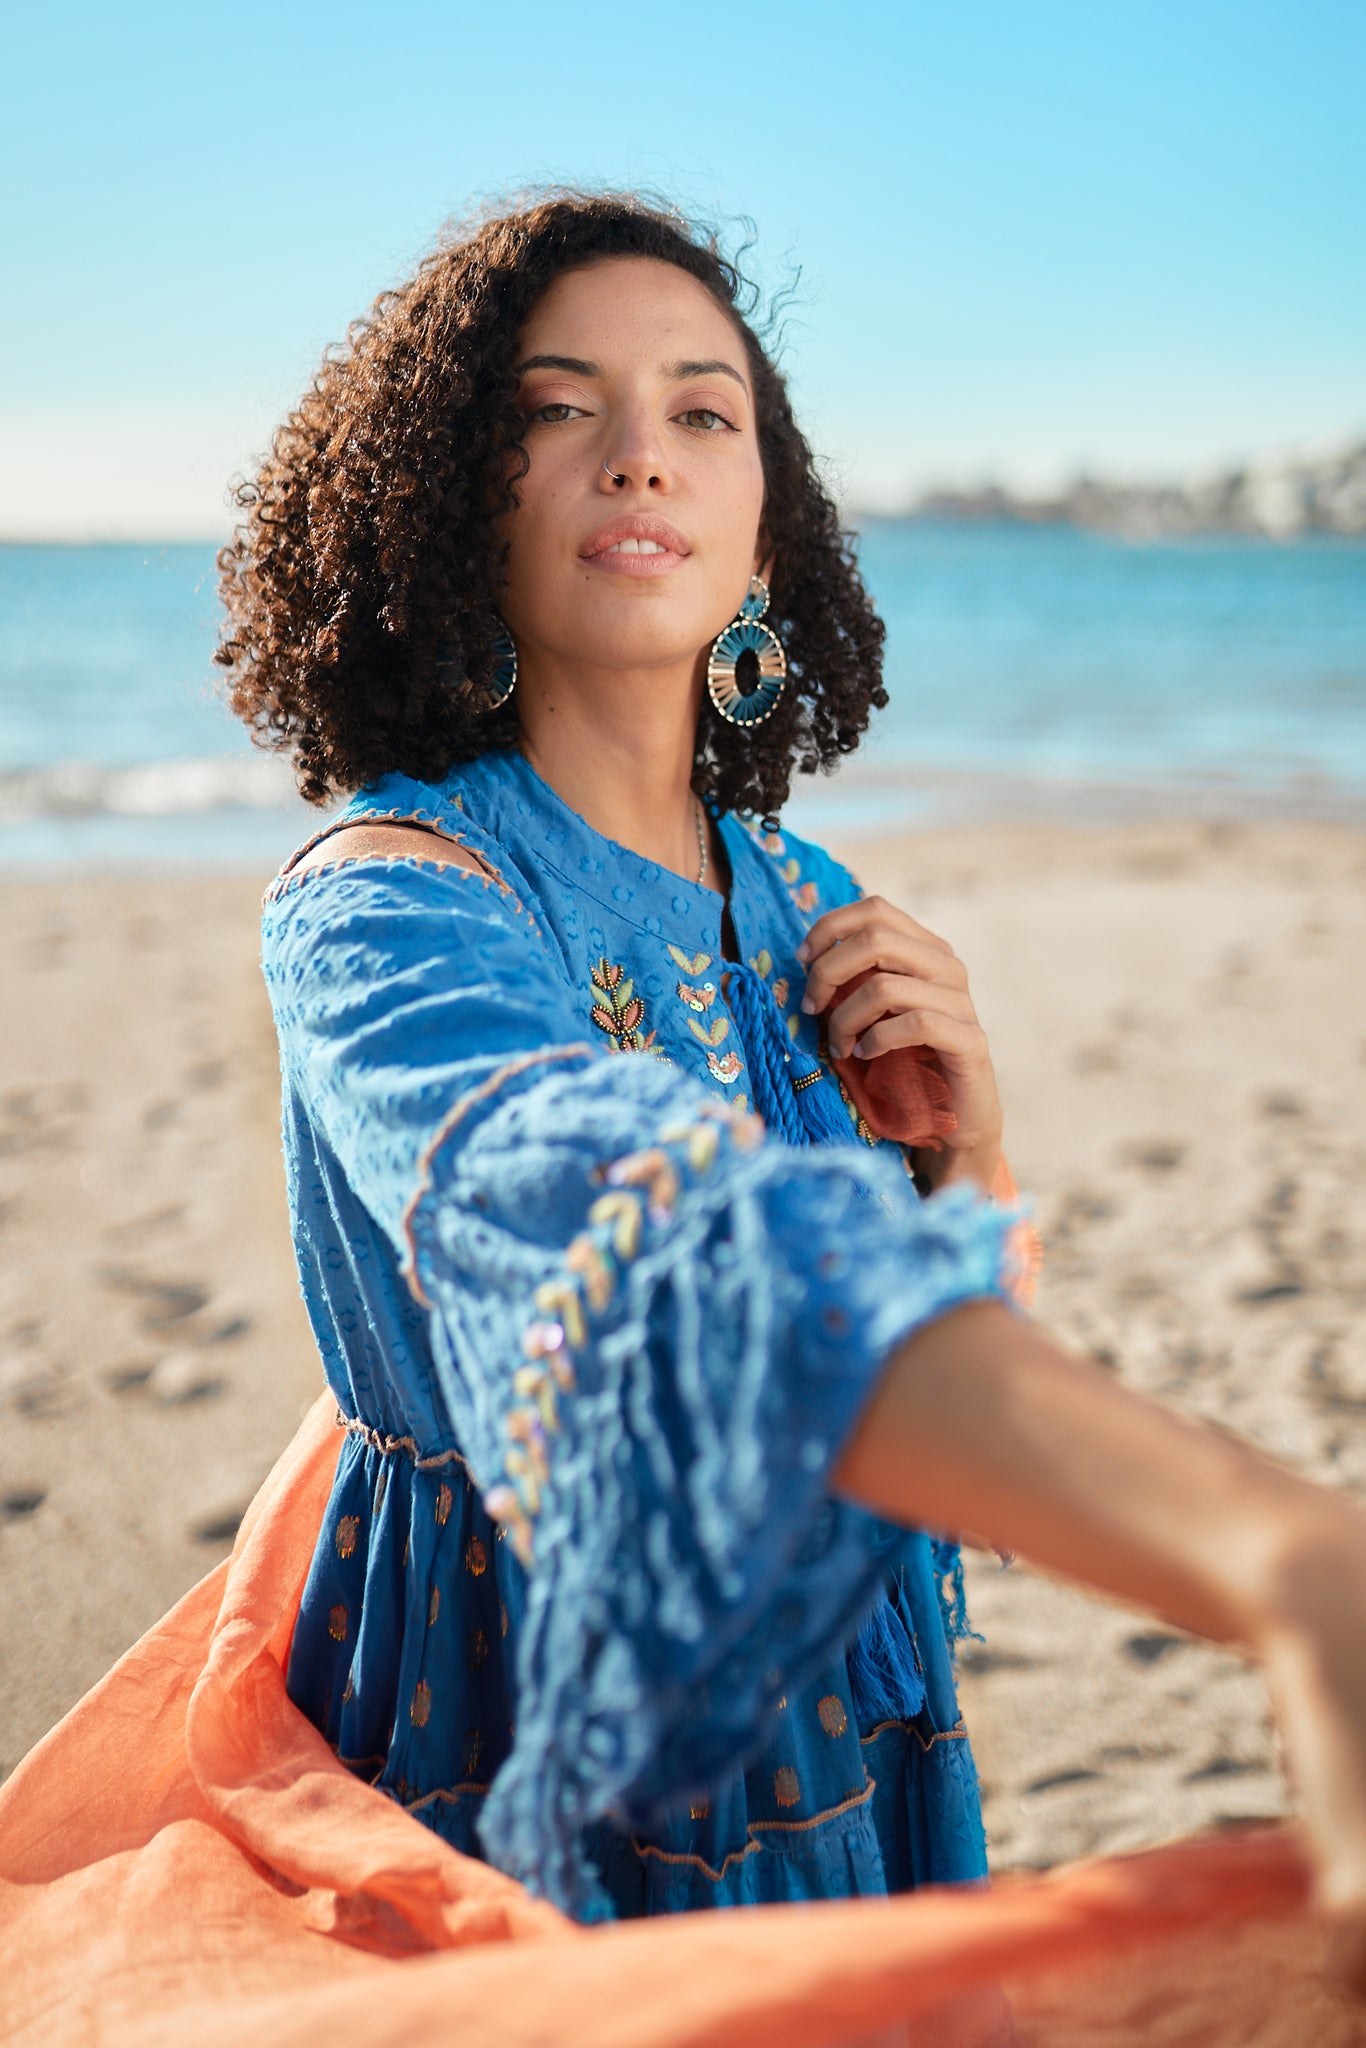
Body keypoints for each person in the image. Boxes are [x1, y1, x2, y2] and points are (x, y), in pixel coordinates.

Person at [213, 191, 1366, 1940]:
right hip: (521, 1728)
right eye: (552, 407)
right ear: (455, 503)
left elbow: (939, 1378)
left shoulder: (818, 905)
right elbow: (663, 1262)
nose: (638, 458)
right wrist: (1275, 1552)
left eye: (701, 411)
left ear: (765, 536)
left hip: (856, 1720)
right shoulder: (387, 903)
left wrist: (969, 1163)